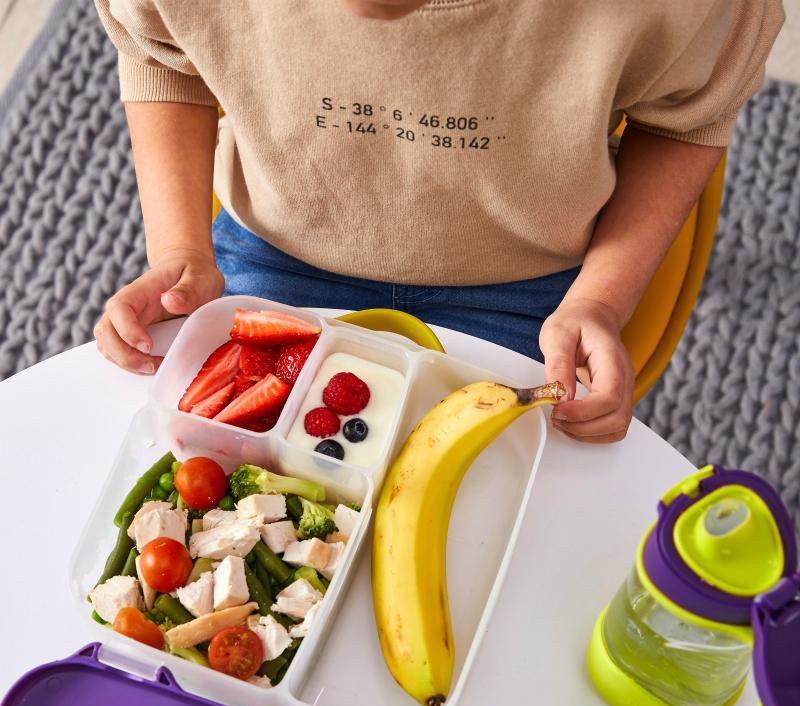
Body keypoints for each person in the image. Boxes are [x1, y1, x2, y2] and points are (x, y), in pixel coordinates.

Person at [92, 0, 783, 443]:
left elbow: (684, 121)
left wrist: (601, 300)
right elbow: (162, 57)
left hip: (530, 284)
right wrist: (179, 250)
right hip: (276, 248)